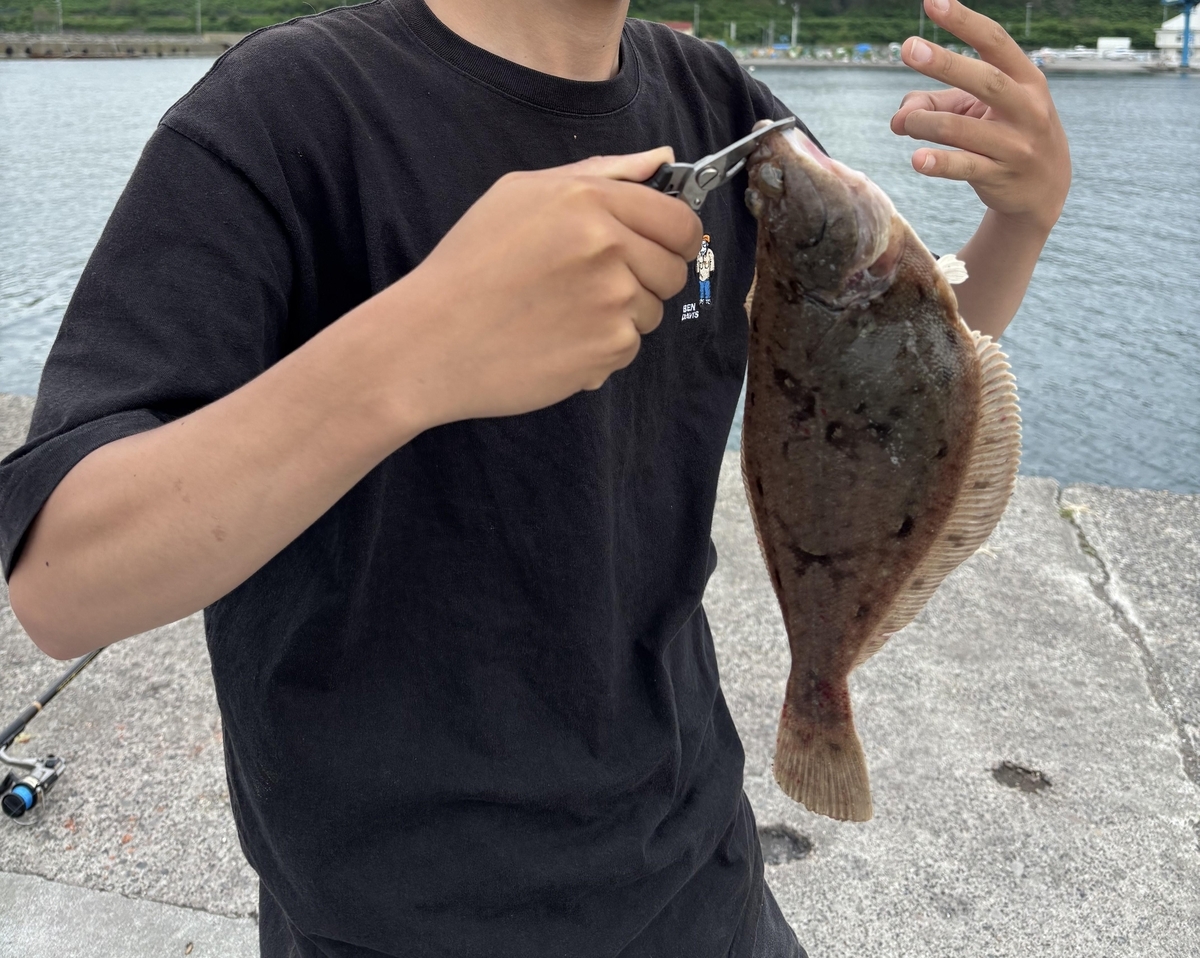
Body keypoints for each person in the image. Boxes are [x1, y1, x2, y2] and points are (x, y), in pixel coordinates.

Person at [0, 0, 1069, 954]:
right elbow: (62, 579)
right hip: (391, 918)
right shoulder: (286, 116)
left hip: (701, 870)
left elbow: (893, 377)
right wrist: (415, 350)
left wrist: (1017, 219)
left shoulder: (722, 105)